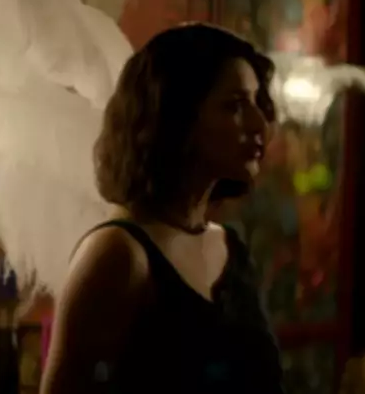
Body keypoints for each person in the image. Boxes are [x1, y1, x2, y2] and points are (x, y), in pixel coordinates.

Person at [40, 23, 284, 394]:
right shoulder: (118, 255)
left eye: (256, 103)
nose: (259, 125)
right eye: (234, 106)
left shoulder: (231, 250)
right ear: (177, 118)